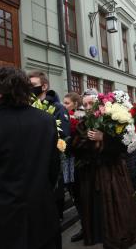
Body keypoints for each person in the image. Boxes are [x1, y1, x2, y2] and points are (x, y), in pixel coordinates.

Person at [0, 66, 61, 248]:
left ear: (2, 89)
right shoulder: (46, 120)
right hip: (43, 210)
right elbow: (53, 167)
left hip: (7, 213)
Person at [71, 88, 136, 248]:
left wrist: (104, 138)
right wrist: (88, 143)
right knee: (98, 217)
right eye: (85, 104)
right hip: (91, 177)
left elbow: (122, 147)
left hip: (113, 176)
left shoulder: (111, 120)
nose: (88, 107)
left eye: (91, 103)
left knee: (117, 218)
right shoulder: (83, 124)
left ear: (99, 103)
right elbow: (76, 148)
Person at [28, 71, 70, 221]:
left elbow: (64, 136)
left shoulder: (58, 108)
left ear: (44, 86)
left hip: (52, 164)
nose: (29, 88)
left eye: (33, 85)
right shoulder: (27, 107)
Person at [62, 92, 85, 243]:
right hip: (67, 161)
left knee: (81, 195)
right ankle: (85, 226)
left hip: (79, 163)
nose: (64, 106)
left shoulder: (80, 118)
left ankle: (87, 227)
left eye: (67, 103)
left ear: (76, 104)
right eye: (63, 103)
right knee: (74, 195)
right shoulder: (63, 117)